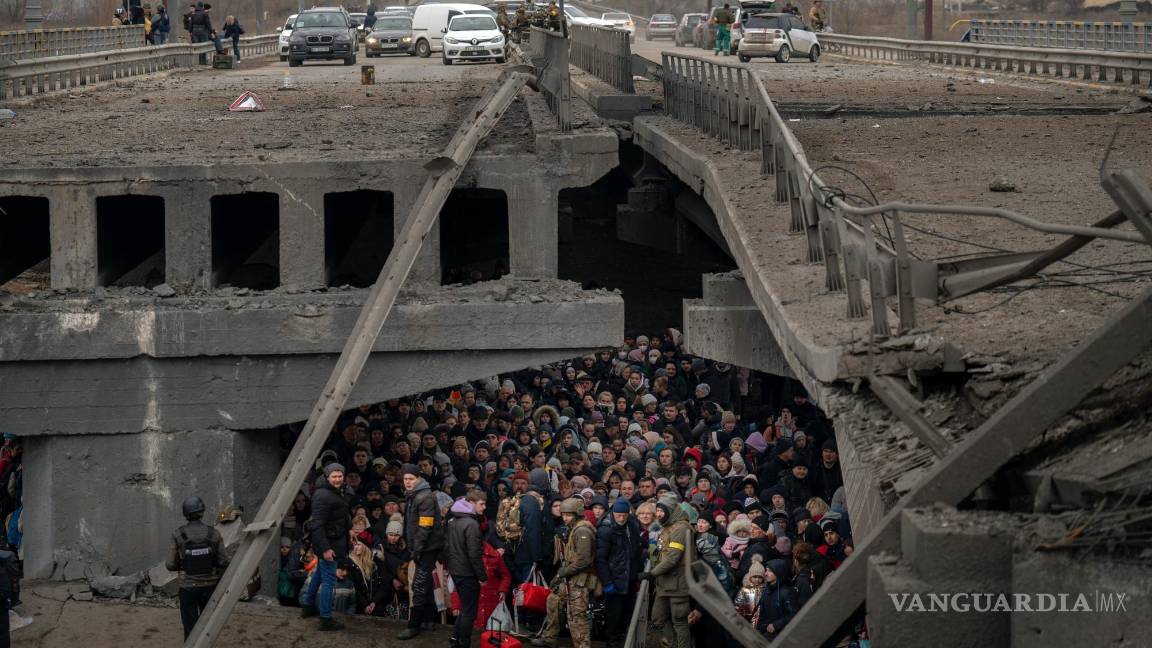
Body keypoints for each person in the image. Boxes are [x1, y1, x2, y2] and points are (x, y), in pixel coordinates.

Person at [532, 498, 597, 648]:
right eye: (563, 514)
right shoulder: (573, 528)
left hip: (580, 579)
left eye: (569, 515)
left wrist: (563, 572)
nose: (565, 518)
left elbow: (584, 561)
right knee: (553, 601)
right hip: (570, 577)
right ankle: (549, 638)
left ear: (577, 514)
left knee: (576, 615)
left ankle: (582, 645)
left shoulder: (582, 530)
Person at [166, 496, 229, 639]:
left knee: (190, 626)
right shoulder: (214, 533)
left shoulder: (178, 534)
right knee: (207, 625)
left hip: (187, 587)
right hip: (210, 586)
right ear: (202, 511)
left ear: (185, 513)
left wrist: (183, 564)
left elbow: (170, 565)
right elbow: (224, 561)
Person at [300, 463, 352, 632]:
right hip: (329, 544)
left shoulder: (336, 491)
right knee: (329, 581)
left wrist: (349, 529)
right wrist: (325, 549)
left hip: (334, 540)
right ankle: (326, 618)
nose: (337, 479)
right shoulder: (323, 495)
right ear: (327, 477)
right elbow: (317, 525)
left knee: (320, 574)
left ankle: (308, 605)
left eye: (340, 476)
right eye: (334, 476)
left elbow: (341, 514)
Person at [398, 463, 445, 640]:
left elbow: (425, 527)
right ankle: (428, 620)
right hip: (423, 547)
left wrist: (416, 549)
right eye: (405, 479)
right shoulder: (415, 495)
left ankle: (413, 625)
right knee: (424, 583)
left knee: (419, 584)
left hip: (426, 548)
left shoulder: (424, 497)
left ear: (418, 479)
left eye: (411, 479)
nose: (408, 482)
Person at [640, 494, 692, 648]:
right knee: (657, 618)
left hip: (678, 585)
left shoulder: (681, 528)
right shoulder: (667, 526)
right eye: (657, 510)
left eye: (661, 511)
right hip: (664, 583)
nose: (658, 514)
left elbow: (672, 558)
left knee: (680, 621)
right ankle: (670, 644)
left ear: (670, 510)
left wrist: (651, 574)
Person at [595, 499, 643, 648]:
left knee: (627, 613)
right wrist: (607, 582)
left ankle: (621, 640)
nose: (621, 519)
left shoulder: (632, 525)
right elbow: (600, 558)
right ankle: (612, 641)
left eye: (624, 515)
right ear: (613, 513)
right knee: (614, 616)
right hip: (614, 578)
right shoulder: (606, 529)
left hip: (629, 576)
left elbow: (635, 548)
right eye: (618, 515)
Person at [445, 491, 488, 648]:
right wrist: (482, 576)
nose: (484, 507)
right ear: (471, 503)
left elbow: (447, 547)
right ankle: (464, 643)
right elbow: (474, 554)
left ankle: (455, 639)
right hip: (467, 572)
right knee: (469, 612)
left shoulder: (453, 520)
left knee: (465, 608)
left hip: (456, 570)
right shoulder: (471, 524)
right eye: (481, 504)